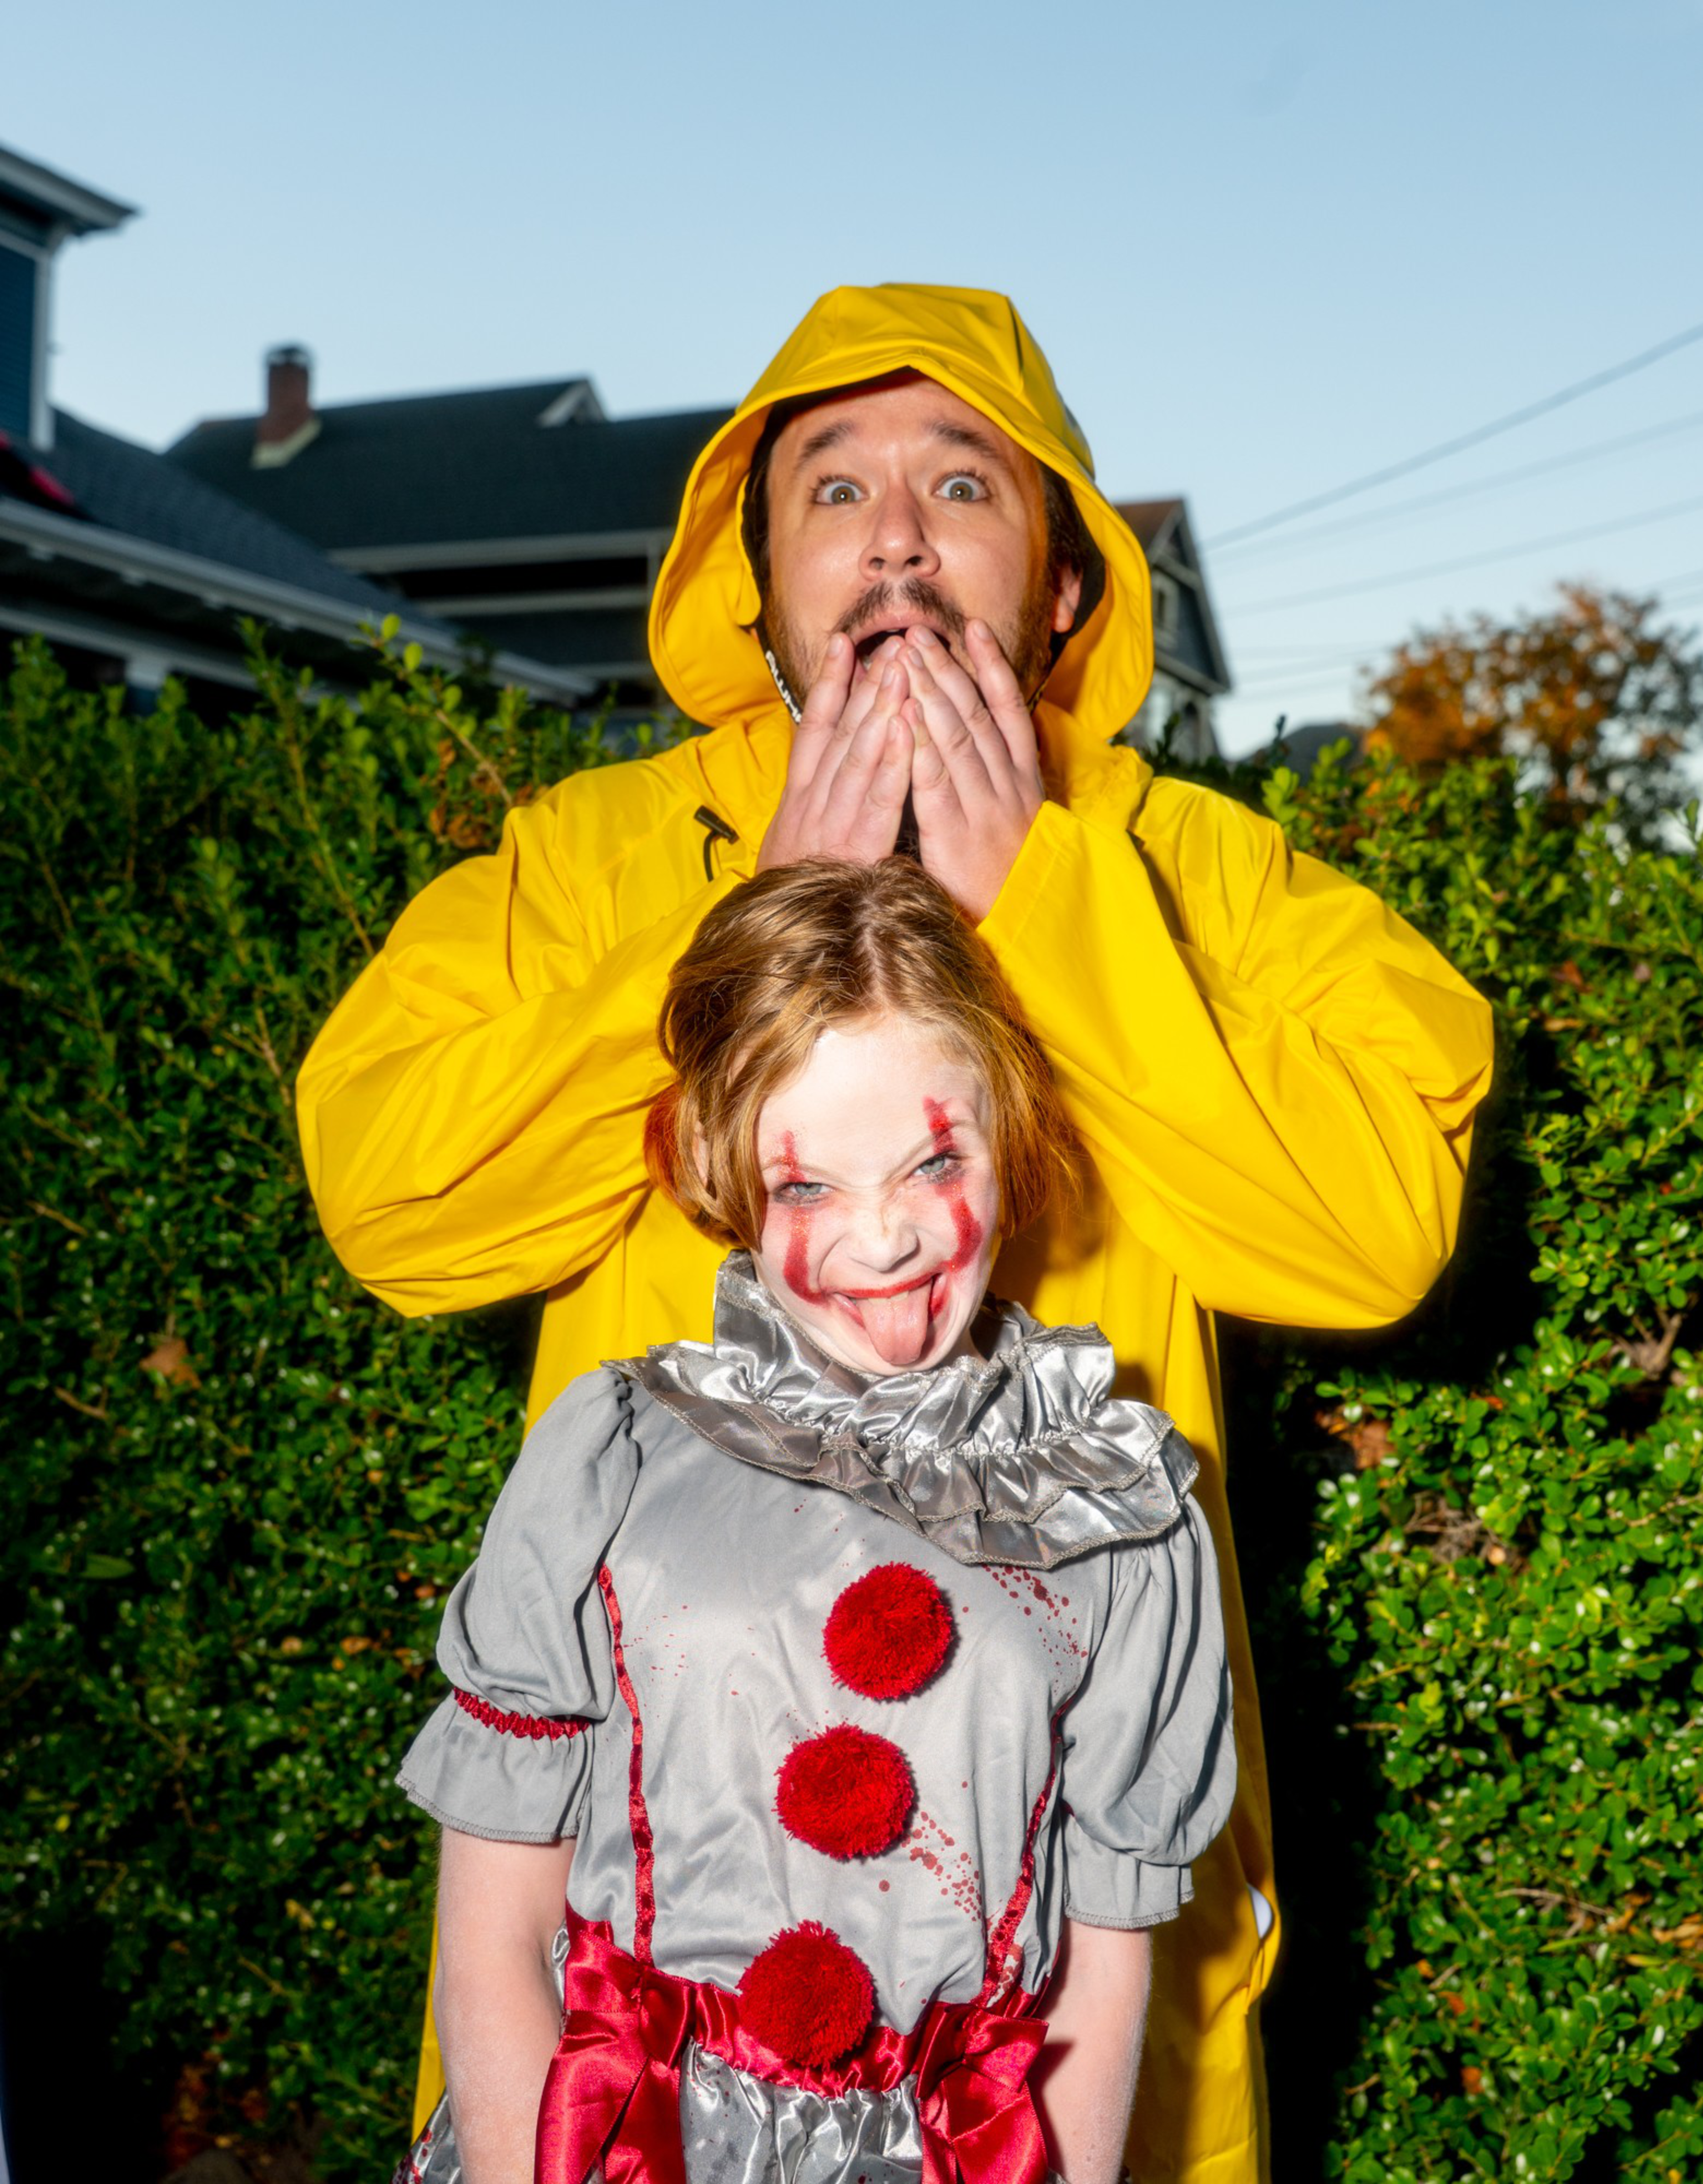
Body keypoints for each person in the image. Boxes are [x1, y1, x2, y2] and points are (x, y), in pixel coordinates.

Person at [298, 283, 1495, 2183]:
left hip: (1067, 1949)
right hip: (646, 1956)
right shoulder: (588, 859)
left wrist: (1049, 897)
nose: (900, 536)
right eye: (832, 489)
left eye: (966, 485)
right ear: (754, 587)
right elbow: (398, 1204)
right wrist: (749, 921)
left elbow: (1369, 1235)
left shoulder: (1210, 876)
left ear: (1068, 590)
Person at [394, 856, 1237, 2184]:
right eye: (810, 1187)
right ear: (731, 1174)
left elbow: (1102, 1984)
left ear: (1008, 1132)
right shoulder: (612, 1455)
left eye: (932, 1162)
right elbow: (490, 1936)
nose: (886, 1239)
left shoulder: (1122, 1521)